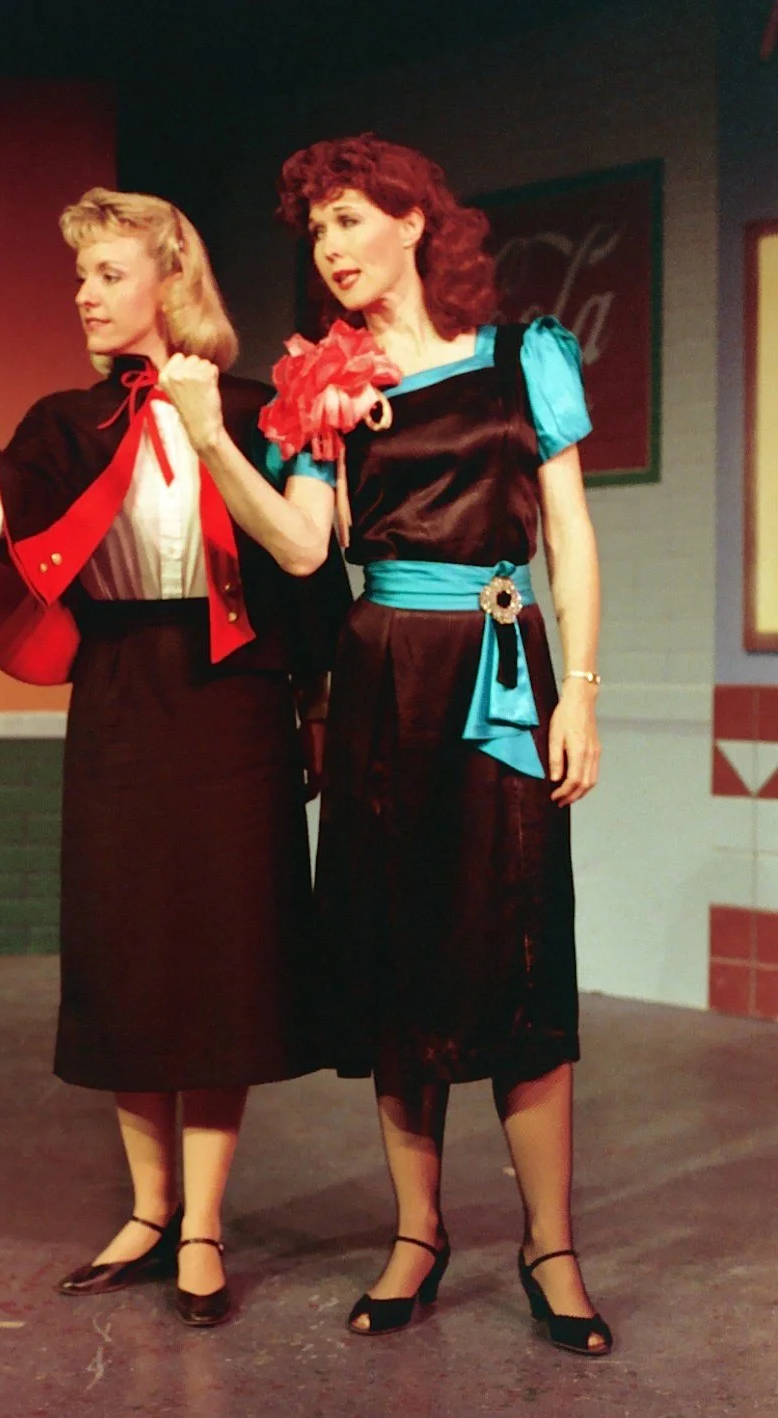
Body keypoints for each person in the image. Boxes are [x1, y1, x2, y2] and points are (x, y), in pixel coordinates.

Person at [158, 134, 612, 1354]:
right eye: (316, 231)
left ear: (417, 222)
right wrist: (211, 441)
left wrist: (579, 688)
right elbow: (304, 551)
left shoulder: (525, 357)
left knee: (518, 949)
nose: (332, 247)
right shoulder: (317, 383)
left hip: (497, 678)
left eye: (350, 219)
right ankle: (417, 1235)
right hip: (374, 680)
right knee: (397, 957)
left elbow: (565, 533)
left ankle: (549, 1245)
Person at [0, 188, 349, 1328]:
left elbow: (309, 573)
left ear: (169, 280)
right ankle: (148, 1214)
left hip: (234, 696)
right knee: (129, 954)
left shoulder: (259, 407)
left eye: (106, 272)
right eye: (80, 277)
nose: (86, 296)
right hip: (118, 695)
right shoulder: (63, 420)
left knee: (222, 962)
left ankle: (202, 1224)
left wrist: (315, 716)